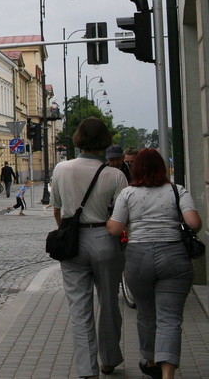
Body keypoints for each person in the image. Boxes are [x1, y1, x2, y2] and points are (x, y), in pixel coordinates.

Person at [108, 148, 202, 379]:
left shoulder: (128, 193)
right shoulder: (176, 190)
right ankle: (168, 373)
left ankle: (150, 359)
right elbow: (195, 223)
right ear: (162, 168)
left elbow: (116, 229)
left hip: (139, 257)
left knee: (146, 312)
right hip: (174, 256)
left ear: (136, 169)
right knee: (170, 316)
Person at [50, 117, 129, 379]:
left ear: (79, 139)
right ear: (105, 142)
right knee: (108, 304)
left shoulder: (61, 169)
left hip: (72, 243)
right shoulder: (116, 175)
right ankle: (109, 359)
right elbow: (122, 217)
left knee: (79, 309)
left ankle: (87, 370)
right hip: (105, 240)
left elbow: (58, 210)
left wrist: (68, 232)